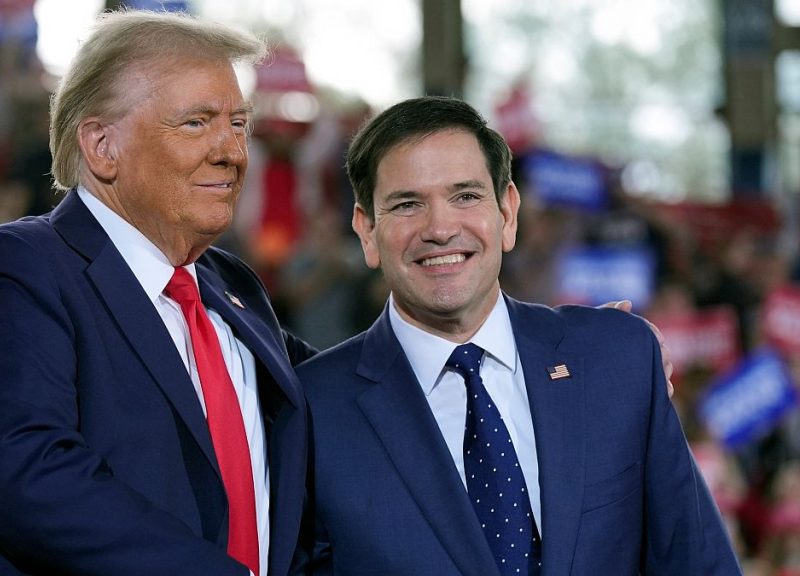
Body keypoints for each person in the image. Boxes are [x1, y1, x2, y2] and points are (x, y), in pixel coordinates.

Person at [0, 10, 313, 575]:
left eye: (238, 124)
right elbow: (30, 476)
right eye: (196, 123)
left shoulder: (234, 288)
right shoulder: (15, 270)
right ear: (101, 146)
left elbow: (342, 398)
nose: (231, 151)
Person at [293, 96, 740, 575]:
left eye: (466, 196)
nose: (440, 228)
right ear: (366, 231)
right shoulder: (312, 410)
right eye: (407, 204)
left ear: (507, 214)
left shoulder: (618, 359)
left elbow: (698, 563)